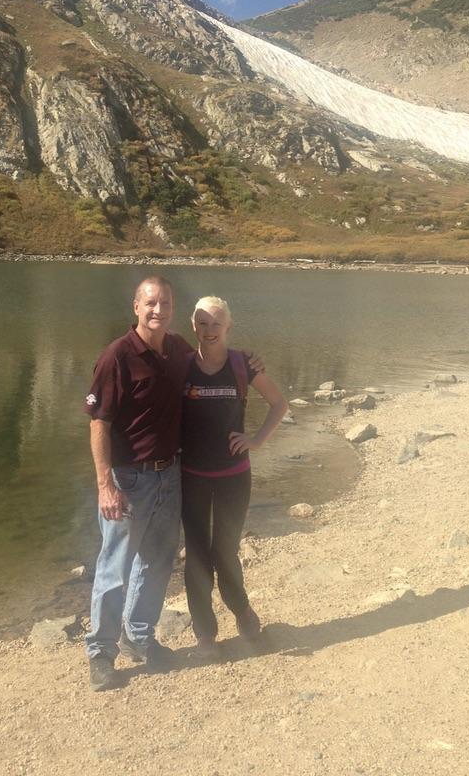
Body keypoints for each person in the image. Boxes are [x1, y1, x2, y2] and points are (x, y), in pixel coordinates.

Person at [82, 276, 191, 691]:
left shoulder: (178, 349)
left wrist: (244, 363)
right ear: (135, 306)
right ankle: (101, 653)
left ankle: (140, 637)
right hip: (128, 479)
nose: (157, 310)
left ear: (172, 308)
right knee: (114, 568)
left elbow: (212, 359)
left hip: (169, 475)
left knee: (159, 561)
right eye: (150, 303)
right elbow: (99, 424)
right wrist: (104, 484)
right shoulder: (117, 356)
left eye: (164, 303)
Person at [180, 296, 288, 660]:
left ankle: (242, 611)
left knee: (225, 549)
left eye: (217, 323)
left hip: (233, 477)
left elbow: (279, 403)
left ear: (229, 327)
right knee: (195, 555)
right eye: (202, 322)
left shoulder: (243, 364)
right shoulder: (181, 366)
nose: (209, 330)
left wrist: (256, 440)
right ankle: (205, 632)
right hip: (191, 476)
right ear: (192, 325)